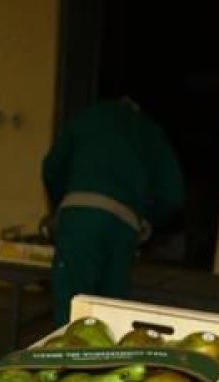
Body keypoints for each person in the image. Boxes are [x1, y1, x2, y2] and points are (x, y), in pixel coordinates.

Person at [41, 97, 184, 324]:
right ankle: (106, 358)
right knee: (111, 308)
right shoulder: (149, 130)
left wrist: (62, 204)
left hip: (81, 219)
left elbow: (52, 168)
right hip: (124, 226)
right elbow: (172, 194)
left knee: (71, 306)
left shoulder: (87, 118)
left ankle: (65, 357)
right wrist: (147, 217)